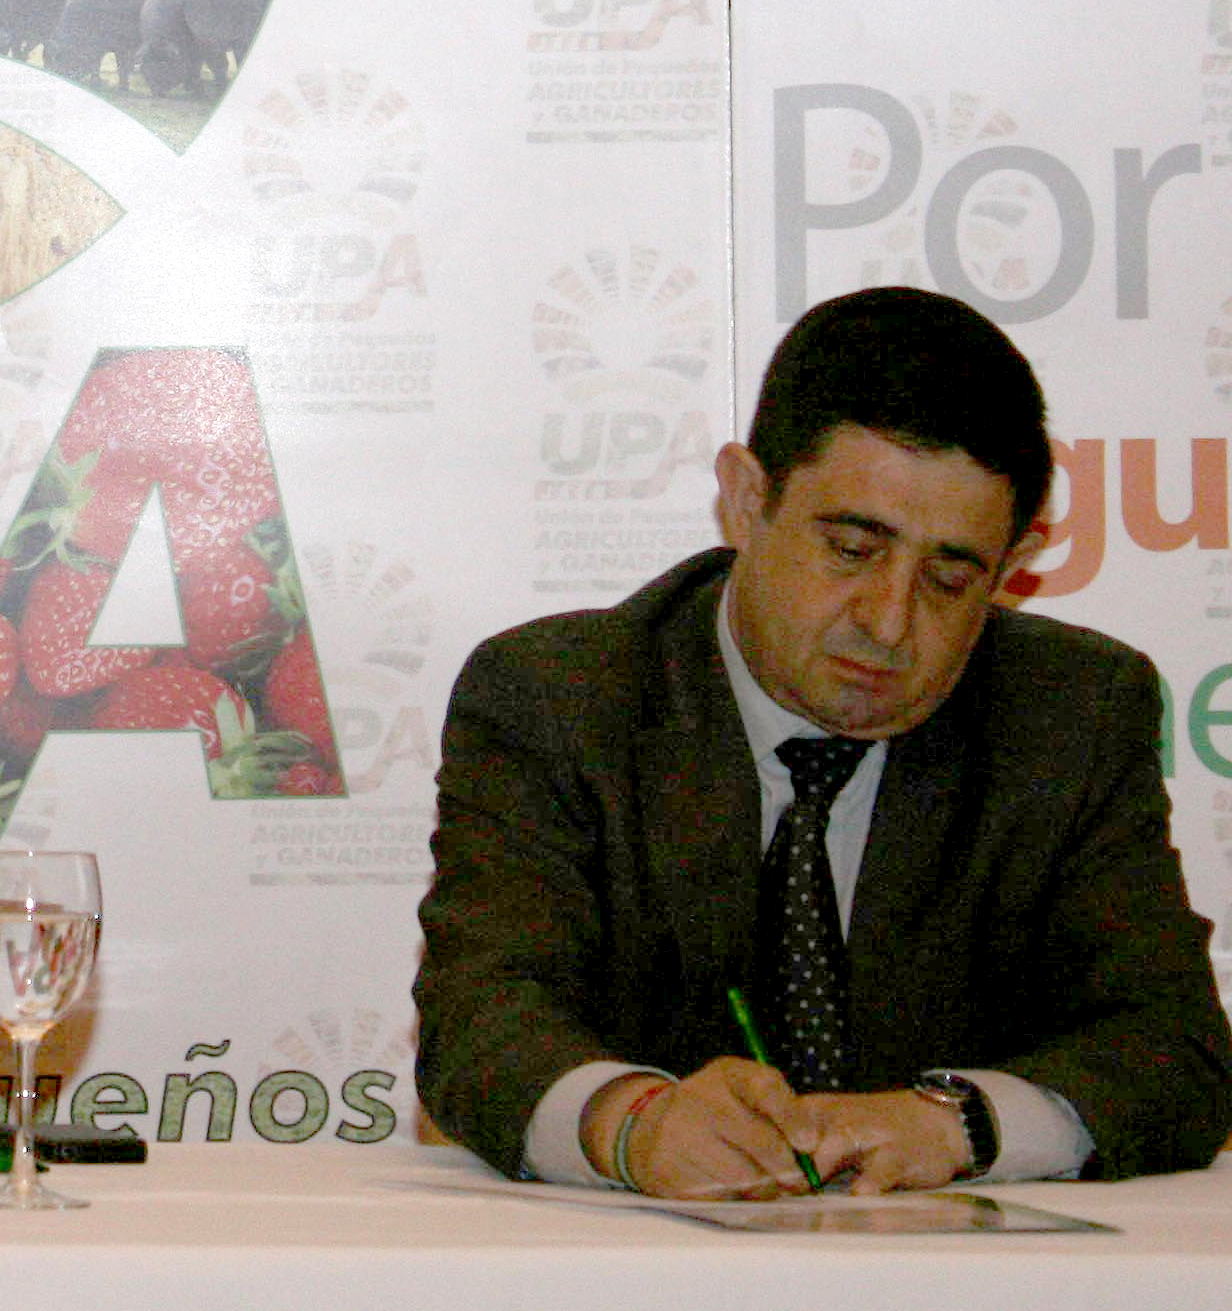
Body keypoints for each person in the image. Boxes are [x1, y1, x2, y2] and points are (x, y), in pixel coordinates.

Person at [416, 286, 1232, 1200]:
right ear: (745, 499)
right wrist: (632, 1123)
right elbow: (479, 1018)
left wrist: (956, 1123)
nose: (888, 621)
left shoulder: (1070, 715)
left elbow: (1175, 1051)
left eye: (949, 577)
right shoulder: (559, 698)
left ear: (1011, 565)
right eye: (851, 548)